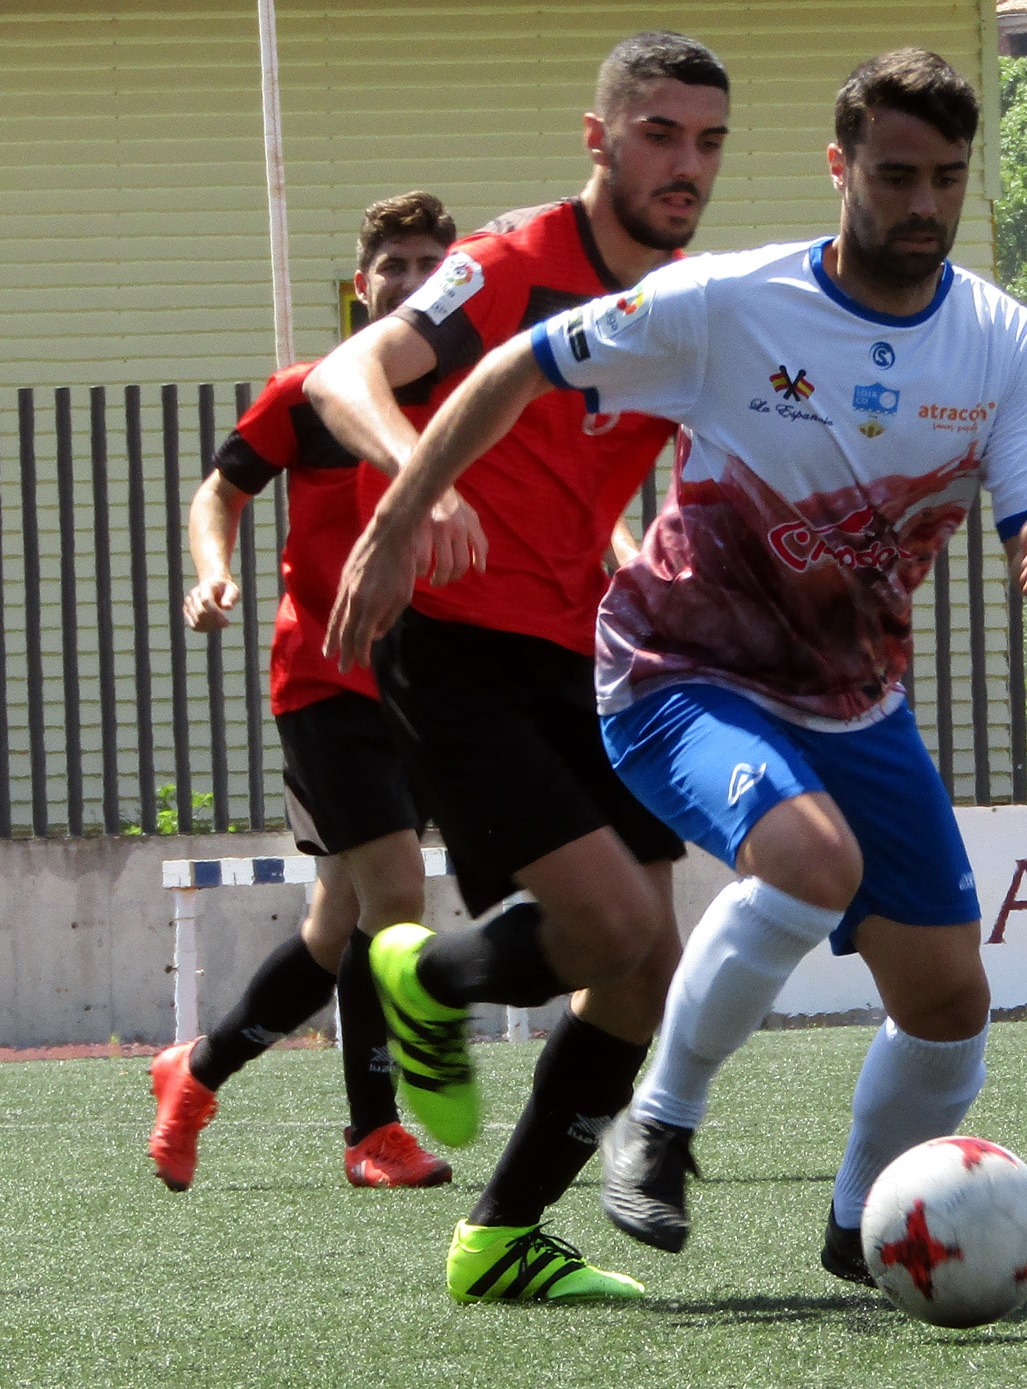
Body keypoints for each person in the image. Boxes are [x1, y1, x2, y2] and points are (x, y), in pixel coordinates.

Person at [326, 49, 1027, 1286]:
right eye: (896, 175)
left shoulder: (998, 338)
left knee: (948, 1004)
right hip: (681, 672)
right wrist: (409, 511)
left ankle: (856, 1232)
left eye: (948, 178)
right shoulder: (730, 299)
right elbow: (519, 360)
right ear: (840, 169)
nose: (925, 204)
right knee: (788, 868)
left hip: (855, 701)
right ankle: (658, 1129)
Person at [304, 31, 729, 1304]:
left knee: (649, 958)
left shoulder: (687, 306)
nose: (685, 165)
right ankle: (423, 974)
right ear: (598, 139)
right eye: (658, 134)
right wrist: (412, 485)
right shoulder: (504, 265)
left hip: (589, 651)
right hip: (457, 644)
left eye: (708, 142)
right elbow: (347, 373)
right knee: (607, 923)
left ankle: (499, 1238)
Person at [147, 191, 459, 1193]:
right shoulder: (314, 393)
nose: (409, 282)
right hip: (324, 683)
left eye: (429, 266)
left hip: (428, 691)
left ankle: (194, 1074)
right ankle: (374, 1134)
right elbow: (222, 489)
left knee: (336, 923)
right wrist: (212, 569)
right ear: (361, 286)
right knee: (398, 894)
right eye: (392, 267)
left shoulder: (475, 399)